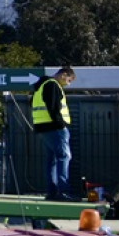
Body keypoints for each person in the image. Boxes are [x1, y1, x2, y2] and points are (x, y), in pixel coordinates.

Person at [31, 66, 77, 201]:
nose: (68, 84)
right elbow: (53, 107)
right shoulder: (53, 85)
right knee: (64, 156)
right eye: (69, 80)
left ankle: (52, 191)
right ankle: (64, 191)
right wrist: (60, 125)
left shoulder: (41, 86)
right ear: (64, 75)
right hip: (55, 128)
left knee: (52, 160)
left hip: (43, 127)